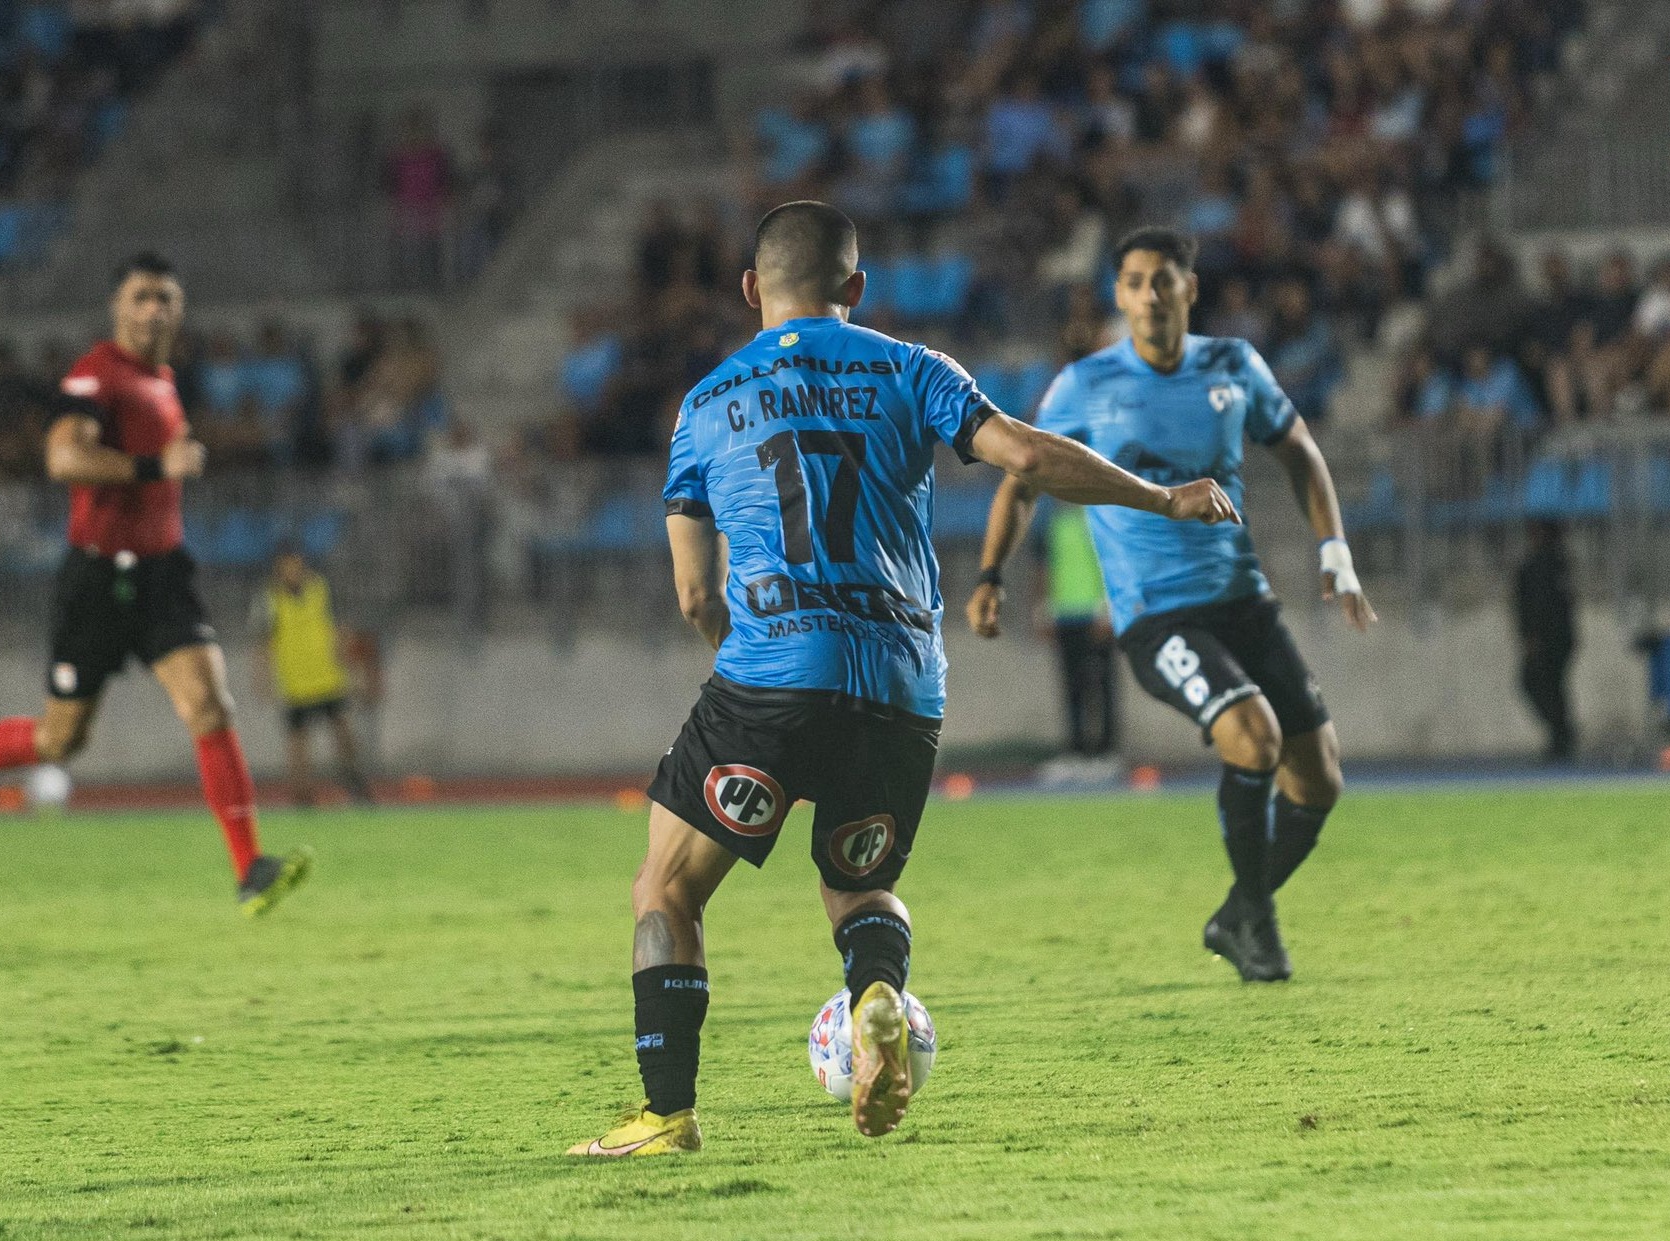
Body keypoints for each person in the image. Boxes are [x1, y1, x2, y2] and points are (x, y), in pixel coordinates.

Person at [569, 201, 1238, 1158]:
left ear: (753, 289)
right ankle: (875, 994)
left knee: (666, 889)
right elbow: (1032, 456)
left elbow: (691, 593)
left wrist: (736, 646)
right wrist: (1163, 495)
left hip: (767, 678)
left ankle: (666, 1112)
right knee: (861, 883)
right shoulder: (913, 368)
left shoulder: (706, 403)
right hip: (899, 684)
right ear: (856, 290)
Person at [969, 226, 1376, 984]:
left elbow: (1300, 451)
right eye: (1133, 282)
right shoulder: (1085, 385)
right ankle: (1254, 924)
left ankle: (1238, 913)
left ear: (1191, 288)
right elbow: (1021, 482)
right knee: (1252, 738)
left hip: (1243, 601)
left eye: (1163, 280)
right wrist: (991, 574)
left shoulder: (1233, 366)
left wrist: (1336, 553)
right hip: (1157, 615)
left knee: (1318, 778)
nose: (1149, 295)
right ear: (1117, 296)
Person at [0, 253, 312, 917]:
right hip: (98, 577)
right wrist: (160, 462)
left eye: (165, 298)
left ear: (179, 311)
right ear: (117, 307)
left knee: (210, 706)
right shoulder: (96, 375)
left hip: (161, 573)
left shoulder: (163, 380)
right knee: (60, 740)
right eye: (141, 297)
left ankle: (251, 868)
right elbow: (63, 456)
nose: (153, 309)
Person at [252, 547, 373, 806]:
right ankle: (302, 797)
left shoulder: (321, 589)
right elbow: (262, 643)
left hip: (328, 677)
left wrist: (354, 671)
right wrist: (263, 680)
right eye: (285, 566)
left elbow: (342, 631)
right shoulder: (269, 599)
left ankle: (354, 783)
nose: (291, 572)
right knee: (298, 744)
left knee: (344, 734)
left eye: (295, 565)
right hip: (295, 683)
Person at [1035, 502, 1121, 783]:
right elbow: (1044, 567)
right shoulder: (1052, 522)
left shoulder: (1099, 518)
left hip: (1095, 615)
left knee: (1102, 685)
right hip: (1064, 616)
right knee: (1071, 687)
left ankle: (1107, 753)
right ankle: (1076, 753)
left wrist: (1108, 608)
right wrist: (1043, 610)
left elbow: (1111, 563)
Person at [1513, 521, 1576, 762]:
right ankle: (1561, 733)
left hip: (1547, 639)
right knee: (1554, 686)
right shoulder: (1561, 563)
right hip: (1563, 637)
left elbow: (1538, 606)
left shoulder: (1537, 566)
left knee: (1536, 682)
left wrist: (1532, 638)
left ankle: (1560, 734)